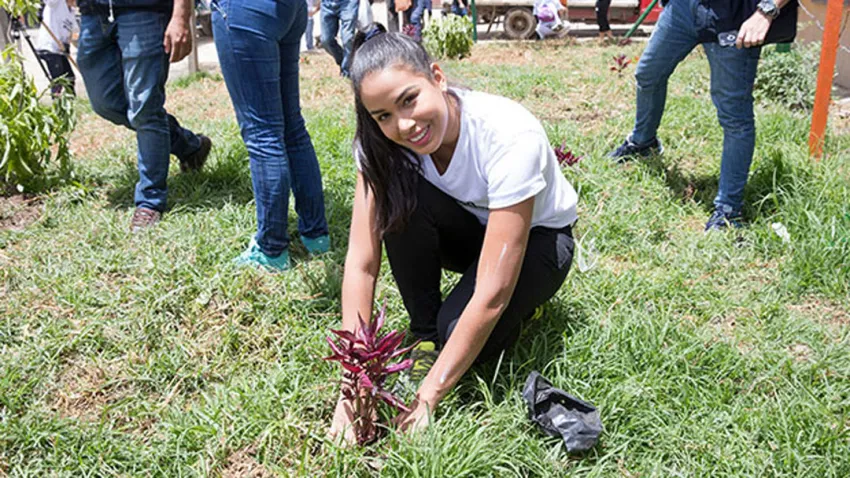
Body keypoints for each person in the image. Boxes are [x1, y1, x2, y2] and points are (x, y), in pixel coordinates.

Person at [329, 28, 578, 440]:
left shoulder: (509, 134)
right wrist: (353, 384)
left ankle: (525, 305)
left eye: (409, 99)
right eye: (383, 116)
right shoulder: (380, 146)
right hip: (474, 233)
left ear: (438, 77)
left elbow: (492, 293)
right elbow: (361, 262)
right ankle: (425, 336)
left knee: (462, 333)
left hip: (540, 241)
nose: (404, 125)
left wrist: (427, 398)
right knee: (400, 195)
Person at [608, 0, 798, 231]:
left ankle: (728, 210)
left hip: (733, 15)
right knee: (648, 74)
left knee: (734, 115)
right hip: (683, 8)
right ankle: (643, 142)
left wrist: (766, 11)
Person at [211, 0, 330, 271]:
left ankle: (271, 250)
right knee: (292, 127)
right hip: (289, 9)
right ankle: (316, 236)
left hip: (244, 10)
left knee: (263, 134)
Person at [76, 0, 212, 233]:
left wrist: (181, 16)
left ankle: (150, 201)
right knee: (105, 103)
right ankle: (189, 146)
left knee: (145, 109)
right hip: (94, 12)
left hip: (145, 10)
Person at [35, 0, 77, 97]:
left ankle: (72, 102)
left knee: (70, 78)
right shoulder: (56, 3)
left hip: (60, 50)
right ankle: (56, 102)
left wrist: (67, 44)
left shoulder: (72, 12)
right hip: (49, 47)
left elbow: (72, 33)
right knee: (58, 79)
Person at [320, 0, 359, 77]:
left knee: (348, 39)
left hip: (348, 3)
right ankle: (345, 61)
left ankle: (346, 72)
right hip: (327, 4)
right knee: (326, 40)